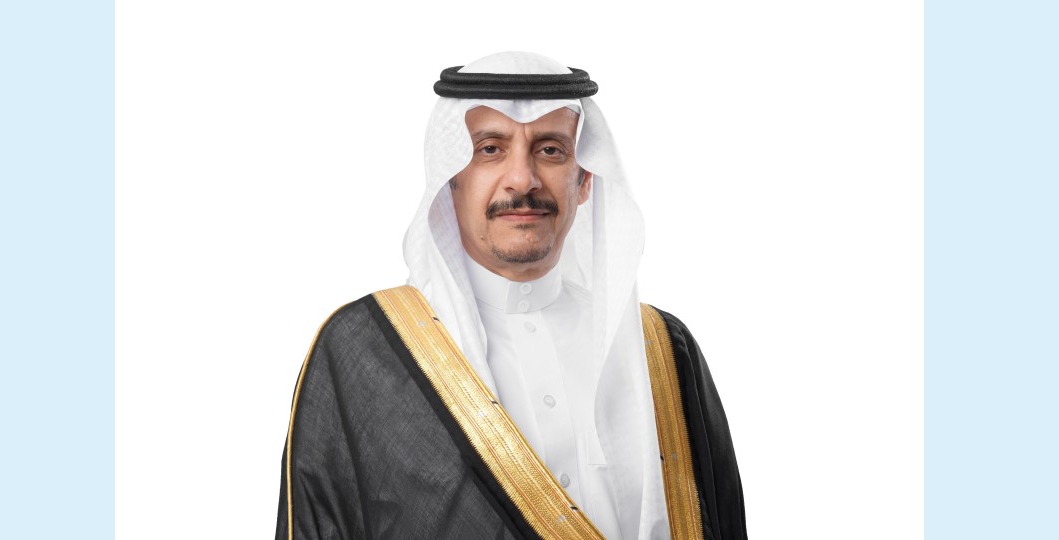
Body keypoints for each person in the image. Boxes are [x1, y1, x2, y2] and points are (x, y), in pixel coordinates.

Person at [275, 51, 746, 540]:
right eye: (490, 149)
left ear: (584, 179)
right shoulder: (365, 350)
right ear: (451, 179)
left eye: (550, 150)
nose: (522, 179)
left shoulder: (662, 348)